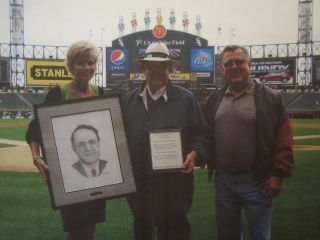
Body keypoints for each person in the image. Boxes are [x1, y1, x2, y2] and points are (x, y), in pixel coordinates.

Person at [202, 45, 294, 240]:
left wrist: (277, 173)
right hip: (224, 180)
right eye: (228, 64)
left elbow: (284, 139)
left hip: (257, 180)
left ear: (249, 65)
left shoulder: (271, 98)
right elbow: (204, 134)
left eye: (239, 62)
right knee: (227, 235)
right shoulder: (214, 99)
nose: (234, 66)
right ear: (222, 69)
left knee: (261, 234)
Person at [123, 42, 210, 240]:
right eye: (151, 66)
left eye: (162, 66)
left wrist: (195, 153)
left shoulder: (186, 99)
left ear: (169, 68)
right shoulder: (128, 100)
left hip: (175, 184)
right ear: (143, 68)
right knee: (142, 231)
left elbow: (202, 134)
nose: (156, 71)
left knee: (175, 232)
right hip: (139, 184)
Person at [26, 41, 105, 240]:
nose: (87, 67)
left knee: (91, 226)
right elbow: (34, 130)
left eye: (90, 62)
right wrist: (37, 158)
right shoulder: (58, 94)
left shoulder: (100, 93)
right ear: (71, 66)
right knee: (75, 228)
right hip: (68, 174)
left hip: (97, 175)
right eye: (81, 63)